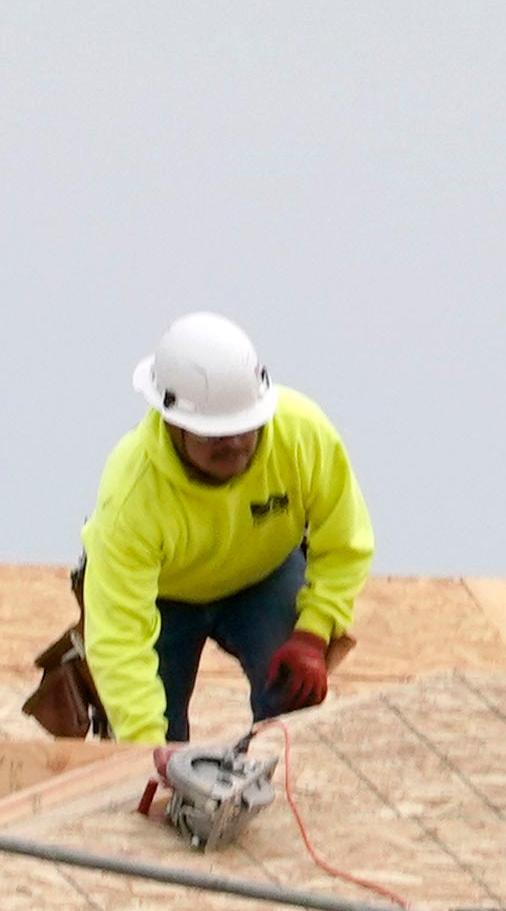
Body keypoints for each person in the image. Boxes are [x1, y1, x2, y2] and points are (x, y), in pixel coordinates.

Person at [75, 312, 375, 746]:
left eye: (243, 428)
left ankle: (277, 773)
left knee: (292, 706)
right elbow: (120, 640)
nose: (234, 444)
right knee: (155, 738)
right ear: (172, 422)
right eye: (213, 434)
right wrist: (147, 753)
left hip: (263, 579)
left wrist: (314, 633)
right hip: (163, 601)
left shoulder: (302, 434)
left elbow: (346, 544)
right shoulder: (131, 495)